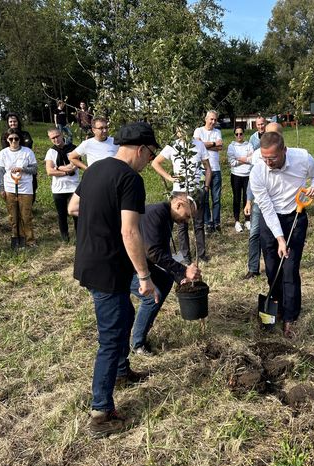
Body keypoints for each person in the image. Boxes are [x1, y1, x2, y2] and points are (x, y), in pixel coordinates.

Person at [68, 121, 159, 438]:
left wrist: (99, 219)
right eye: (151, 154)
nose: (150, 161)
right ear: (141, 149)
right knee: (109, 339)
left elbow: (74, 206)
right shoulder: (130, 180)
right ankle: (101, 413)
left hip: (90, 262)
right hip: (108, 268)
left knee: (126, 314)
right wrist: (144, 276)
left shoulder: (95, 169)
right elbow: (130, 231)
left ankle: (121, 371)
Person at [250, 131, 314, 338]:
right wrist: (280, 238)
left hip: (295, 217)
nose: (268, 162)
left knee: (290, 270)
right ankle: (277, 308)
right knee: (273, 270)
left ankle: (290, 317)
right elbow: (265, 207)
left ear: (284, 150)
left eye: (272, 158)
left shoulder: (302, 158)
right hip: (270, 219)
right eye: (264, 158)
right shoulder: (258, 171)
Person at [130, 193, 202, 356]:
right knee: (151, 297)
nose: (187, 221)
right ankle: (137, 344)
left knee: (165, 280)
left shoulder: (166, 216)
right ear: (178, 205)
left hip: (139, 261)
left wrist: (179, 277)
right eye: (187, 215)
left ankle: (145, 322)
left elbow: (164, 253)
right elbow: (153, 252)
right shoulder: (156, 214)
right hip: (124, 265)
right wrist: (184, 270)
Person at [151, 132, 211, 263]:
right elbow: (155, 163)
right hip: (179, 191)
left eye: (187, 128)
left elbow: (207, 168)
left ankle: (201, 254)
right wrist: (169, 177)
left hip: (196, 190)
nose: (184, 131)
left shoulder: (199, 144)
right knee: (181, 225)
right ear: (177, 130)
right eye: (180, 128)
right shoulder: (173, 145)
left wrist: (205, 186)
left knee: (199, 223)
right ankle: (186, 256)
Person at [243, 122, 284, 280]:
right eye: (266, 134)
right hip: (260, 203)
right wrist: (248, 201)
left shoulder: (284, 155)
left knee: (276, 236)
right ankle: (253, 268)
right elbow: (252, 181)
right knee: (254, 234)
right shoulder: (257, 155)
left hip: (279, 204)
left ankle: (275, 266)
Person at [0, 128, 38, 248]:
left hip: (25, 188)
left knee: (26, 216)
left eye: (16, 138)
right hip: (9, 188)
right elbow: (0, 172)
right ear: (7, 140)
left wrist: (23, 169)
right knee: (13, 217)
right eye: (11, 139)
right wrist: (1, 188)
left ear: (20, 139)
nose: (14, 141)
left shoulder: (27, 152)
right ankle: (17, 238)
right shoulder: (3, 153)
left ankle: (30, 240)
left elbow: (35, 169)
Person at [45, 127, 79, 242]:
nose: (56, 139)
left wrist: (57, 167)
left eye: (57, 136)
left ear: (61, 135)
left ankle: (79, 238)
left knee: (76, 213)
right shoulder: (51, 152)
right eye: (52, 138)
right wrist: (64, 170)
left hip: (74, 187)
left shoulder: (73, 149)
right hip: (58, 189)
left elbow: (74, 166)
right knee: (62, 215)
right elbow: (49, 171)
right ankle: (65, 239)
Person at [193, 110, 223, 233]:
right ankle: (207, 223)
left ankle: (216, 222)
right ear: (205, 119)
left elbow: (220, 147)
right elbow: (197, 145)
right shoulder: (198, 130)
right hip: (202, 170)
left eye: (215, 120)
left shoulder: (218, 131)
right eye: (211, 119)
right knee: (204, 198)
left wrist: (205, 144)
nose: (213, 122)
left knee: (216, 199)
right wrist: (214, 143)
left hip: (216, 169)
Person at [227, 127, 254, 233]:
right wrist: (245, 158)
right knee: (237, 198)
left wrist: (238, 158)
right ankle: (237, 221)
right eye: (237, 134)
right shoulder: (231, 146)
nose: (239, 136)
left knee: (247, 198)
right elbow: (231, 162)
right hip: (236, 175)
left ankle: (247, 220)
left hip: (248, 175)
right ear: (234, 135)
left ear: (243, 134)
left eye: (241, 134)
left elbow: (252, 160)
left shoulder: (249, 145)